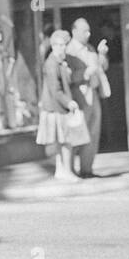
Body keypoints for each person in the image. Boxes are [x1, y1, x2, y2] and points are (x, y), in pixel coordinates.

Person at [36, 29, 85, 182]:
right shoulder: (52, 63)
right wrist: (68, 102)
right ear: (54, 45)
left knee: (63, 141)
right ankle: (65, 170)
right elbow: (55, 90)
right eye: (61, 45)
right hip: (57, 108)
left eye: (65, 44)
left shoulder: (59, 62)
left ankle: (61, 169)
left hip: (57, 108)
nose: (64, 48)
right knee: (66, 141)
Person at [66, 17, 111, 177]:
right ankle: (70, 169)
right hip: (79, 96)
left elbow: (103, 67)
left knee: (93, 133)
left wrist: (101, 54)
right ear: (74, 31)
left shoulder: (90, 48)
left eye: (89, 31)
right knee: (77, 133)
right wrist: (85, 73)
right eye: (85, 31)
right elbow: (67, 76)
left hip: (93, 94)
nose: (88, 34)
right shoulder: (69, 50)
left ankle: (87, 169)